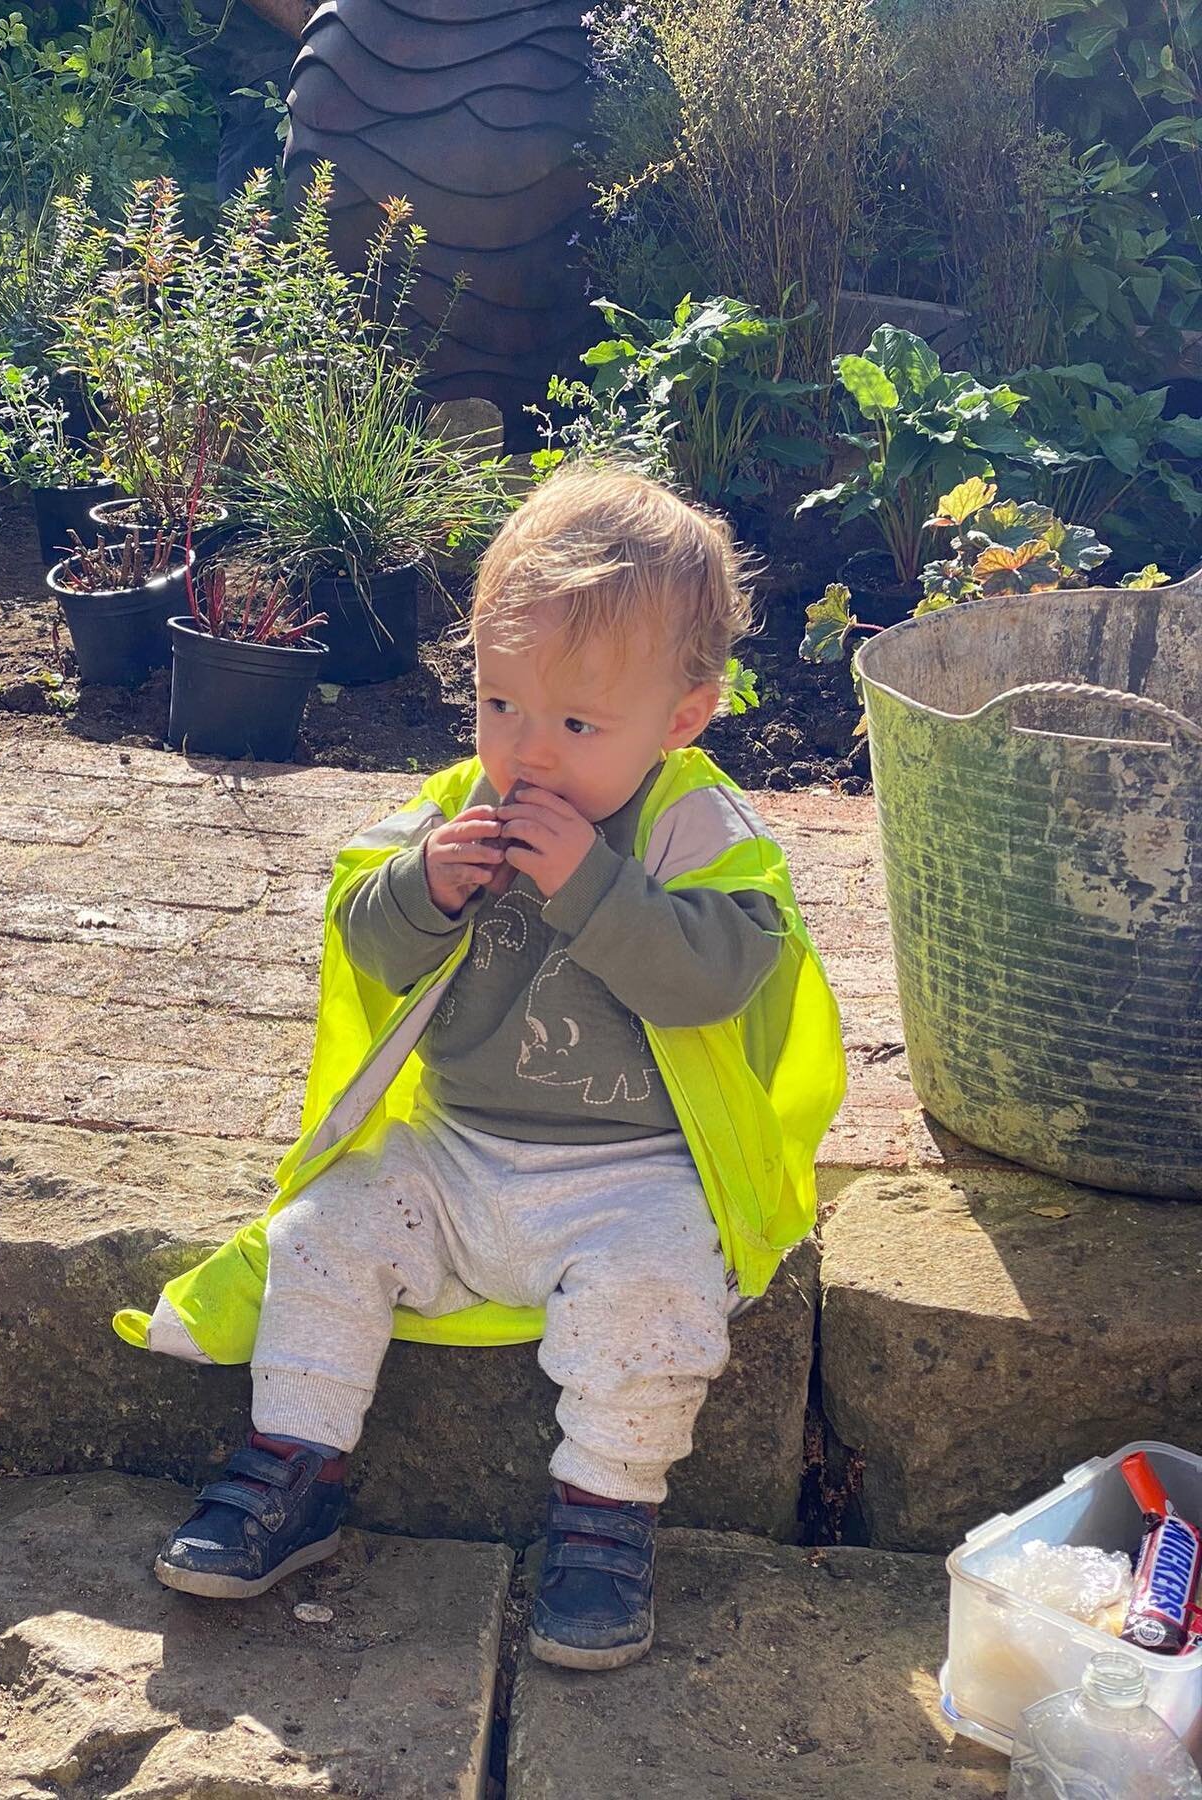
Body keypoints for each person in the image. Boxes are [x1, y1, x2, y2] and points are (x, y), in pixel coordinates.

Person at [115, 464, 846, 1670]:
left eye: (575, 723)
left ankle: (607, 1517)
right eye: (500, 705)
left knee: (660, 1297)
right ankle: (293, 1464)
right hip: (454, 1158)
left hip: (635, 1173)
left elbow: (720, 974)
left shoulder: (695, 830)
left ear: (681, 717)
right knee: (324, 1232)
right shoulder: (459, 804)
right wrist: (424, 889)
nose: (527, 752)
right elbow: (366, 937)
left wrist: (596, 887)